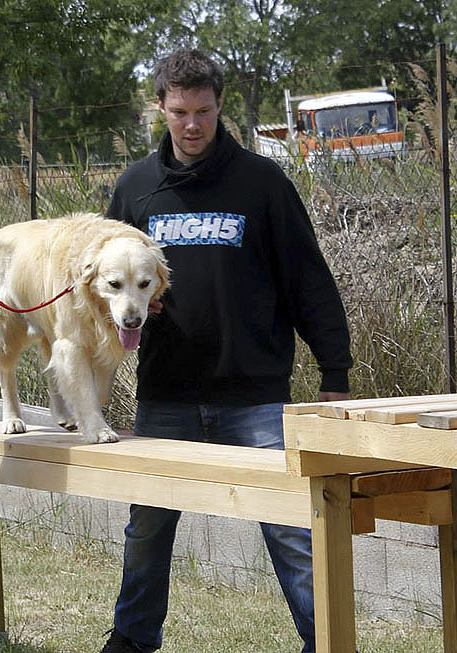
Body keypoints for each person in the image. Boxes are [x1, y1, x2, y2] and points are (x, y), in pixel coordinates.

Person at [101, 49, 353, 653]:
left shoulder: (262, 183)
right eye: (180, 111)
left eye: (205, 111)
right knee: (148, 527)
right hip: (167, 393)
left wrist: (334, 370)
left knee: (294, 529)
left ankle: (325, 642)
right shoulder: (136, 189)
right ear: (159, 108)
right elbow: (97, 282)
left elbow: (307, 281)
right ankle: (132, 642)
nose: (192, 125)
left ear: (221, 107)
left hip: (255, 396)